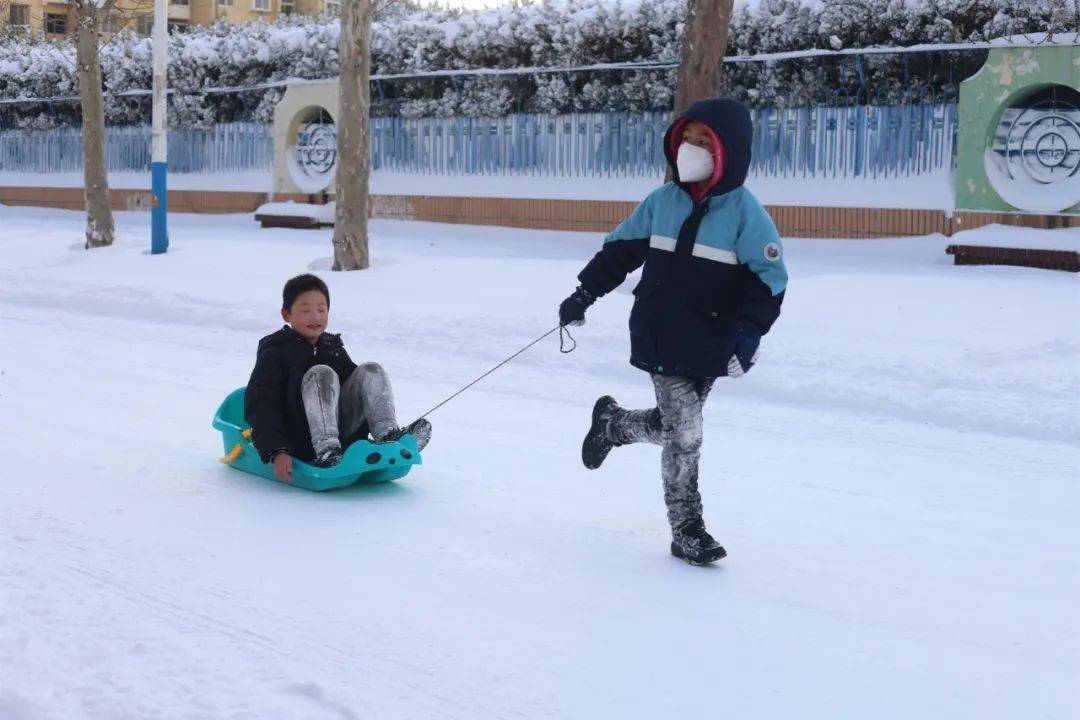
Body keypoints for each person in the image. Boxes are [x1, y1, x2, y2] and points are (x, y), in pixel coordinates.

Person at [558, 98, 788, 565]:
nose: (692, 149)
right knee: (686, 433)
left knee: (675, 424)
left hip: (713, 340)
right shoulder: (661, 202)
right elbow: (618, 252)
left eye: (705, 142)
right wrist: (585, 292)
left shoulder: (745, 214)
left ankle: (613, 425)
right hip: (660, 331)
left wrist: (749, 335)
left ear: (729, 153)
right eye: (688, 139)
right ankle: (687, 528)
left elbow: (768, 281)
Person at [245, 274, 431, 483]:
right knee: (321, 373)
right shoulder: (275, 353)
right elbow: (262, 405)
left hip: (342, 436)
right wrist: (277, 450)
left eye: (321, 310)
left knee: (370, 369)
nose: (315, 317)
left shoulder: (332, 348)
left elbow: (354, 391)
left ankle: (387, 436)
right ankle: (327, 452)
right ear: (286, 314)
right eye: (306, 311)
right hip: (299, 439)